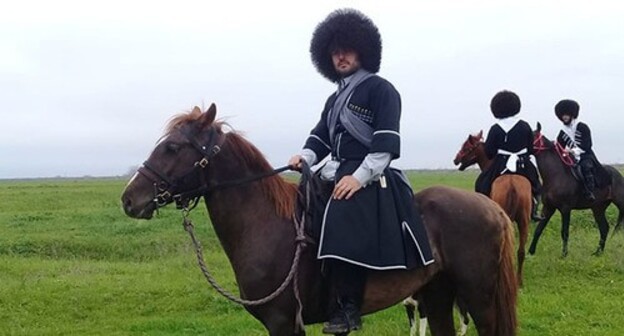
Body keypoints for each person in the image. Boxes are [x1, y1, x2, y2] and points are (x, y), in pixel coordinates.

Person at [288, 8, 434, 334]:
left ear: (363, 50)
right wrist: (305, 157)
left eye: (347, 49)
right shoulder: (334, 98)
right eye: (335, 51)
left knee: (342, 217)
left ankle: (348, 308)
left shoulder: (382, 90)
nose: (340, 56)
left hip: (368, 175)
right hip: (334, 171)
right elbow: (320, 137)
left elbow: (383, 147)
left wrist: (358, 178)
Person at [475, 90, 543, 220]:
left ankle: (483, 211)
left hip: (501, 163)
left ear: (496, 109)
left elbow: (489, 152)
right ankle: (534, 210)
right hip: (522, 162)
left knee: (482, 183)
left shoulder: (495, 128)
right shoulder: (524, 125)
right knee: (536, 183)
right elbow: (530, 149)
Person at [555, 99, 605, 201]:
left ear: (572, 114)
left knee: (585, 167)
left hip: (585, 155)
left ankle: (590, 191)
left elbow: (587, 145)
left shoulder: (582, 127)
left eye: (566, 114)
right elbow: (559, 145)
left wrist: (573, 151)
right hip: (571, 157)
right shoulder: (562, 132)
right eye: (562, 115)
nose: (564, 117)